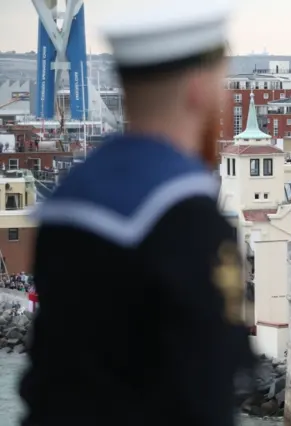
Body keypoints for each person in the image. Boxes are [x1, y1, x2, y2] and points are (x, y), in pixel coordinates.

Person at [19, 1, 254, 425]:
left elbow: (50, 378)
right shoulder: (187, 217)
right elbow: (204, 391)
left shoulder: (68, 203)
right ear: (199, 89)